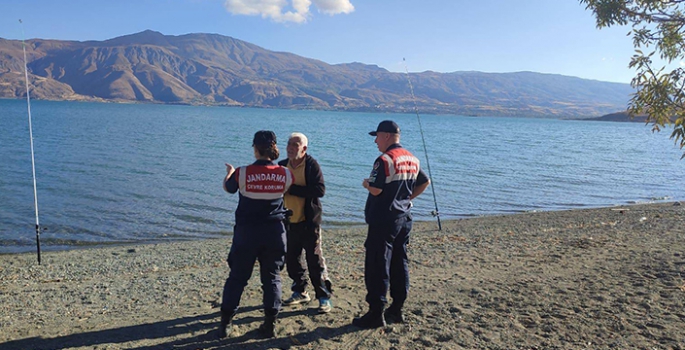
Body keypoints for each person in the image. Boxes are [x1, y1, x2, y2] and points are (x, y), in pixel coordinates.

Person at [353, 120, 431, 329]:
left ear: (386, 136)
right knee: (399, 262)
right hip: (404, 218)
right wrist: (405, 199)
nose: (376, 141)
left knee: (378, 264)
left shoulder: (384, 160)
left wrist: (366, 184)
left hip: (384, 220)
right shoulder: (411, 158)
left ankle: (376, 313)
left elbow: (377, 189)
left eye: (377, 136)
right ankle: (397, 308)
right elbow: (424, 182)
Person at [218, 130, 294, 339]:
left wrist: (230, 172)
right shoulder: (286, 174)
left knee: (237, 278)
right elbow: (284, 190)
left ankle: (225, 324)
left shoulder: (242, 173)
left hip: (247, 233)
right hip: (275, 232)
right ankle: (269, 325)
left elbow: (229, 188)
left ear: (255, 148)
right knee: (271, 278)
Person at [278, 132, 333, 313]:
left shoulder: (311, 165)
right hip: (289, 222)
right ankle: (300, 291)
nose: (291, 147)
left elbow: (320, 190)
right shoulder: (281, 166)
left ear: (304, 148)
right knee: (292, 260)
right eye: (289, 144)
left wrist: (291, 189)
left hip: (309, 222)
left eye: (296, 144)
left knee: (314, 261)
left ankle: (324, 297)